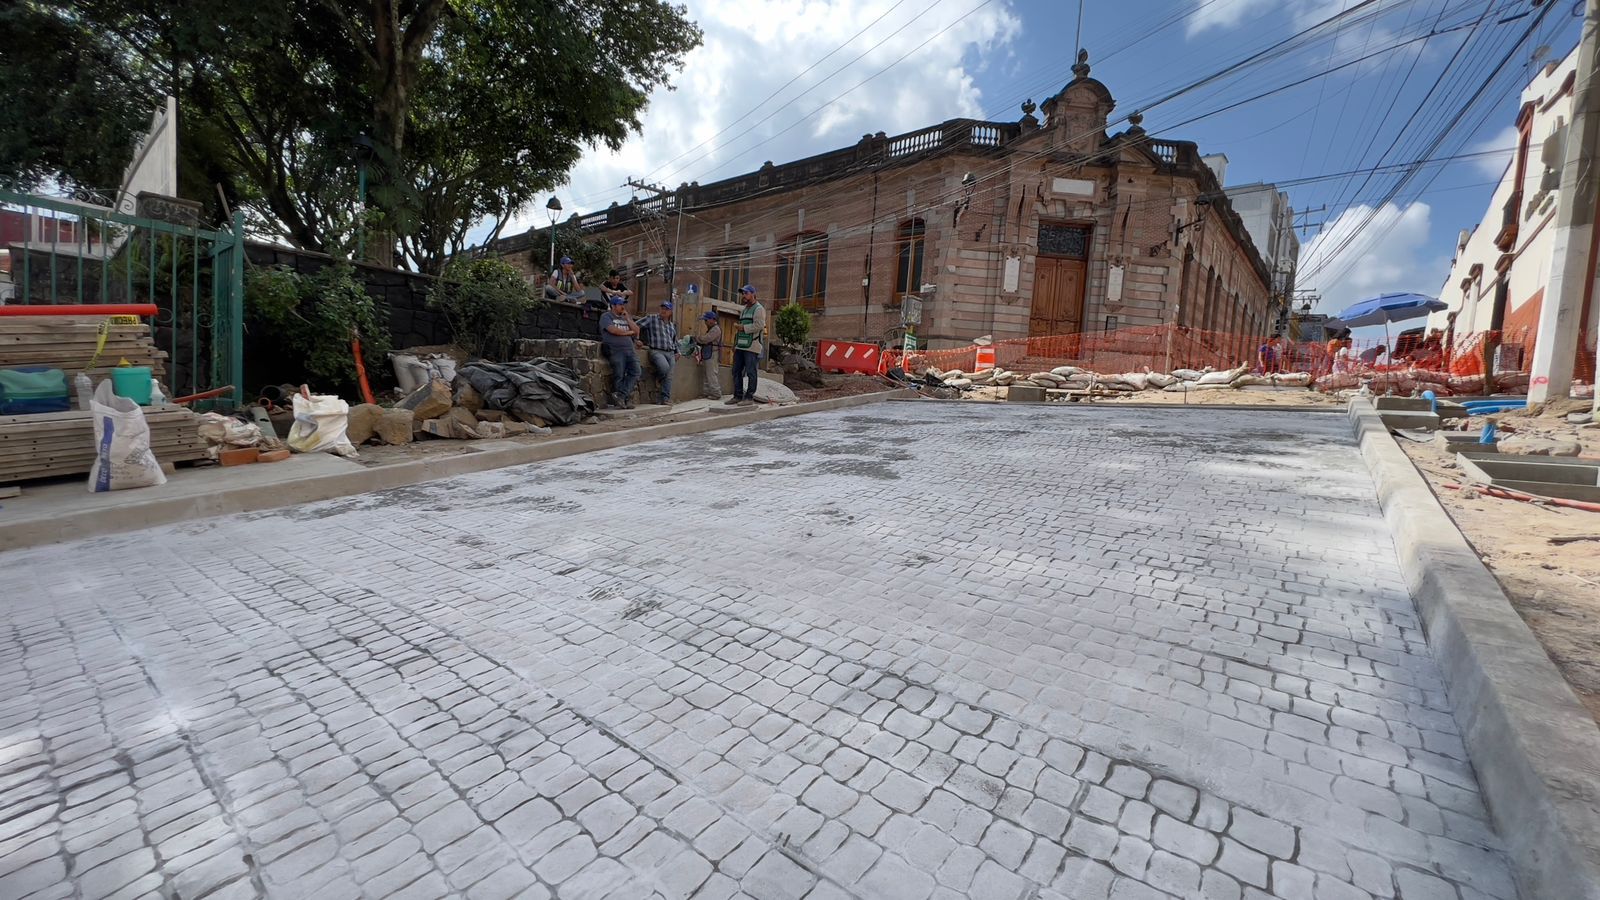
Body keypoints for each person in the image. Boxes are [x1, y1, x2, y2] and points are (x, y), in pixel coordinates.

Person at [599, 295, 641, 408]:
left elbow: (636, 330)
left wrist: (628, 319)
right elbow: (613, 330)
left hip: (630, 350)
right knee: (619, 374)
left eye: (623, 304)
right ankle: (622, 400)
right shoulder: (606, 316)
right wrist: (628, 333)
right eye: (620, 304)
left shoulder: (625, 317)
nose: (623, 307)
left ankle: (621, 396)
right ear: (613, 306)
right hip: (615, 350)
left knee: (636, 371)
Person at [728, 285, 766, 406]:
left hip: (752, 345)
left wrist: (743, 328)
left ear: (753, 294)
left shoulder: (759, 309)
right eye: (743, 293)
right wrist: (735, 343)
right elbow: (739, 328)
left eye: (746, 293)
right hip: (741, 345)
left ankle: (749, 397)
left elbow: (759, 325)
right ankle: (738, 396)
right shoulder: (744, 310)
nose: (744, 296)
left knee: (751, 372)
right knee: (736, 370)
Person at [635, 300, 678, 407]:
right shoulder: (652, 318)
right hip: (656, 350)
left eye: (666, 309)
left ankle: (665, 398)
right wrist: (636, 339)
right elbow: (635, 325)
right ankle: (659, 378)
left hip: (670, 352)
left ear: (670, 312)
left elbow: (674, 340)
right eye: (662, 308)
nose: (664, 311)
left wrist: (678, 352)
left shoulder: (672, 325)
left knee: (669, 376)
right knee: (664, 369)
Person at [695, 311, 724, 399]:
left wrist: (697, 338)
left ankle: (716, 393)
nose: (705, 322)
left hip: (713, 353)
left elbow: (706, 339)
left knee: (711, 374)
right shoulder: (711, 329)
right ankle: (707, 392)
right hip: (708, 353)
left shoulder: (716, 329)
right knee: (706, 374)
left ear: (712, 320)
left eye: (706, 320)